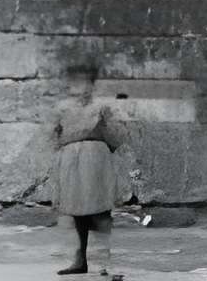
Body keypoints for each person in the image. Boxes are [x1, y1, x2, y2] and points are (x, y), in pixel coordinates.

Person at [13, 61, 132, 276]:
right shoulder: (62, 108)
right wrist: (53, 160)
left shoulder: (102, 108)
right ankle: (80, 259)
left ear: (92, 85)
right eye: (77, 84)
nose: (82, 89)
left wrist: (106, 138)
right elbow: (51, 136)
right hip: (71, 160)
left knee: (101, 210)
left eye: (86, 83)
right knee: (77, 210)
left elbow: (118, 136)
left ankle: (105, 262)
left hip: (96, 160)